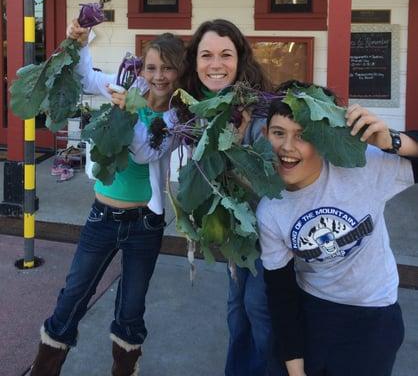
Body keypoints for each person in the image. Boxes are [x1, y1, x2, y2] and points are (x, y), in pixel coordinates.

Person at [29, 23, 185, 376]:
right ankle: (44, 368)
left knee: (131, 308)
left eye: (168, 68)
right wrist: (81, 42)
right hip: (103, 217)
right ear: (141, 68)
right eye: (151, 67)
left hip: (145, 223)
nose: (158, 76)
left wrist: (129, 112)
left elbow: (146, 152)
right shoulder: (130, 87)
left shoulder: (177, 117)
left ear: (180, 71)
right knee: (73, 295)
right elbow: (86, 79)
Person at [257, 83, 418, 376]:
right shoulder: (272, 209)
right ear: (265, 135)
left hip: (372, 317)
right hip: (311, 310)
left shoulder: (364, 166)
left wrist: (391, 140)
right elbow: (281, 294)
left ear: (325, 137)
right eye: (279, 133)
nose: (288, 146)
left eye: (303, 135)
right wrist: (295, 369)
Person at [180, 19, 285, 376]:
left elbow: (276, 184)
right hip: (236, 232)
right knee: (236, 309)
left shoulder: (258, 112)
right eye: (206, 55)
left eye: (226, 54)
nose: (216, 64)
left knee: (259, 308)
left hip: (271, 231)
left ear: (240, 60)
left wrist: (239, 150)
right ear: (195, 62)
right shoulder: (194, 112)